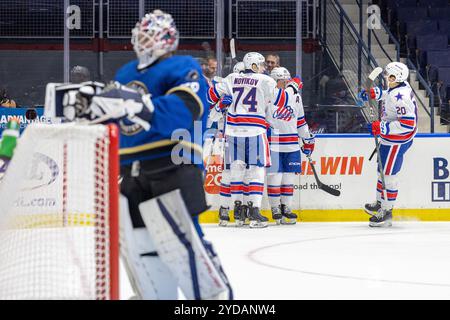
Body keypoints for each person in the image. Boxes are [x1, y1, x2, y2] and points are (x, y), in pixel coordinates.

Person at [60, 9, 232, 300]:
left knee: (182, 243)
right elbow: (120, 119)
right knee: (140, 246)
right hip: (131, 169)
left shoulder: (183, 66)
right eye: (140, 34)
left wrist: (137, 104)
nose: (142, 40)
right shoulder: (125, 73)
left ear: (167, 39)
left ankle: (214, 298)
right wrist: (93, 112)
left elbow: (186, 109)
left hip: (173, 163)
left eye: (149, 35)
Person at [207, 52, 302, 228]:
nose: (264, 68)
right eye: (261, 65)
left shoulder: (231, 78)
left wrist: (220, 97)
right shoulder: (265, 80)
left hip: (234, 132)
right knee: (256, 172)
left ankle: (237, 211)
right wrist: (293, 87)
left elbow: (210, 96)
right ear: (254, 66)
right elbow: (282, 100)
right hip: (254, 131)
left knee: (235, 172)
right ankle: (254, 211)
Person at [358, 61, 417, 228]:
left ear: (396, 77)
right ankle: (379, 202)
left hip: (396, 141)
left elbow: (408, 124)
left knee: (389, 176)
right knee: (382, 172)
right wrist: (375, 93)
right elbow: (389, 94)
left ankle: (387, 210)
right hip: (390, 138)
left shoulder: (402, 97)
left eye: (388, 75)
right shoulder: (397, 88)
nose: (385, 77)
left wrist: (382, 126)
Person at [266, 67, 315, 224]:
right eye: (282, 81)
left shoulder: (296, 97)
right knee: (275, 177)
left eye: (287, 81)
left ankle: (286, 207)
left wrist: (307, 140)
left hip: (292, 144)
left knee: (288, 178)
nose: (285, 83)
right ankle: (275, 207)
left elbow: (300, 121)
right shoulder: (269, 96)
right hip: (273, 143)